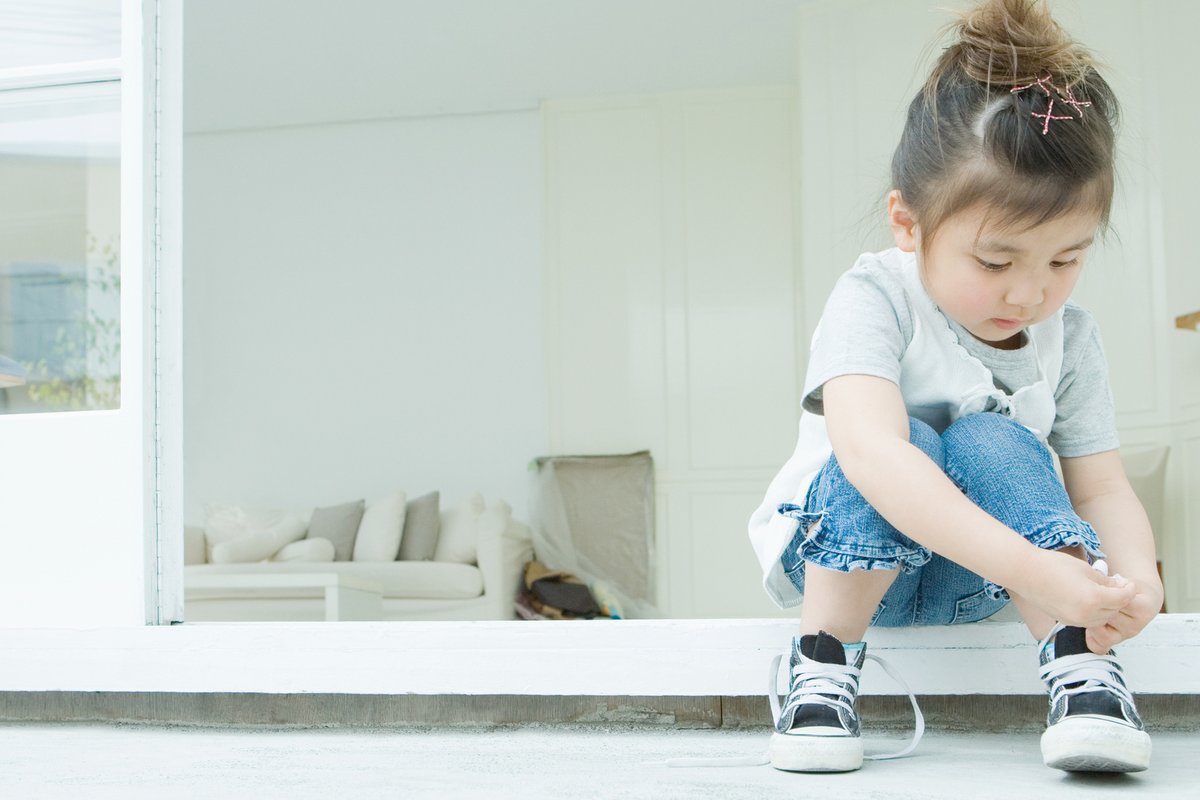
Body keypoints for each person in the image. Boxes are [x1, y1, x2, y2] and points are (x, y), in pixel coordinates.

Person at [747, 0, 1162, 775]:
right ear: (909, 224)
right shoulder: (873, 297)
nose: (1030, 295)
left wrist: (1132, 579)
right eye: (997, 263)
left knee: (992, 439)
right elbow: (871, 456)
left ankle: (1082, 666)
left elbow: (1102, 486)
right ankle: (823, 665)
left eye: (1065, 259)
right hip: (844, 561)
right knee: (913, 442)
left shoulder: (1070, 338)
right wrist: (1039, 572)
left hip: (977, 583)